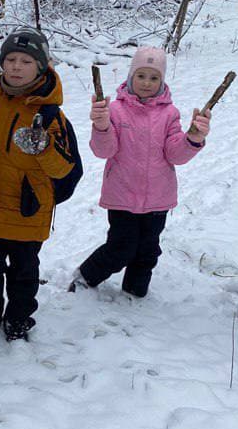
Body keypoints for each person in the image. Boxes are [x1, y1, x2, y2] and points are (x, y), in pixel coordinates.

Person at [0, 28, 77, 342]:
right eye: (10, 59)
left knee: (23, 273)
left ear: (41, 66)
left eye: (26, 61)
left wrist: (43, 147)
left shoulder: (49, 114)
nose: (15, 66)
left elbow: (65, 166)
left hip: (26, 209)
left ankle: (18, 321)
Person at [70, 46, 211, 298]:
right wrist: (101, 126)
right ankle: (86, 276)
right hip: (122, 195)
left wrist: (193, 138)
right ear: (131, 76)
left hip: (158, 197)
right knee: (121, 247)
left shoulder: (170, 113)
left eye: (154, 77)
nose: (147, 83)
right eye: (141, 75)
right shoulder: (115, 110)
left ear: (162, 80)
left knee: (147, 250)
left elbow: (174, 155)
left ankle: (135, 292)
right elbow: (104, 151)